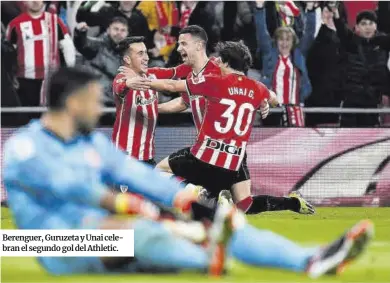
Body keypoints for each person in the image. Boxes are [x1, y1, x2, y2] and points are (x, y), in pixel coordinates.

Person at [3, 67, 373, 278]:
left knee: (219, 217)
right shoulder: (26, 147)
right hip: (57, 245)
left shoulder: (91, 144)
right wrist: (133, 205)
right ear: (71, 102)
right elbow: (72, 187)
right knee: (143, 229)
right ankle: (206, 255)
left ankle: (311, 260)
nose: (98, 107)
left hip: (108, 236)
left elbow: (137, 173)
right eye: (91, 99)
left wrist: (182, 199)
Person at [122, 26, 314, 215]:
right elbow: (182, 100)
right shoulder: (201, 75)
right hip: (232, 154)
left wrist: (137, 79)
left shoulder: (215, 75)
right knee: (242, 204)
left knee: (169, 177)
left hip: (210, 151)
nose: (179, 48)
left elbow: (171, 83)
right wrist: (154, 109)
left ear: (199, 46)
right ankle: (291, 203)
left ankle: (203, 198)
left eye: (183, 43)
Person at [112, 36, 192, 167]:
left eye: (146, 52)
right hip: (126, 158)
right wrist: (128, 83)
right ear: (127, 59)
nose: (147, 58)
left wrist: (208, 62)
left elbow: (178, 71)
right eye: (140, 54)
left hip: (147, 156)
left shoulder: (152, 74)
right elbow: (119, 87)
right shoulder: (121, 78)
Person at [254, 0, 315, 127]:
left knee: (295, 144)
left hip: (295, 109)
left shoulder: (298, 55)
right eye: (281, 39)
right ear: (276, 41)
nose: (284, 43)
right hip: (273, 110)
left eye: (288, 39)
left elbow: (309, 33)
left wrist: (310, 9)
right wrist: (259, 7)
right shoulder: (269, 54)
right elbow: (261, 32)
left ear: (293, 42)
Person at [6, 0, 75, 106]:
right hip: (25, 81)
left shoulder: (55, 20)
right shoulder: (14, 24)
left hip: (51, 79)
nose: (35, 1)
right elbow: (9, 53)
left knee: (50, 116)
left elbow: (67, 47)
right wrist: (11, 76)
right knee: (29, 116)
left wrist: (68, 72)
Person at [333, 9, 390, 127]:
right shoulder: (351, 43)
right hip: (351, 104)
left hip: (372, 105)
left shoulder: (383, 44)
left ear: (376, 26)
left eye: (371, 23)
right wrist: (336, 14)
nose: (367, 27)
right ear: (357, 27)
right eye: (364, 24)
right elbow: (341, 30)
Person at [74, 17, 129, 106]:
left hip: (116, 102)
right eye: (116, 29)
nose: (119, 32)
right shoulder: (97, 45)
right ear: (108, 30)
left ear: (127, 34)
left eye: (123, 30)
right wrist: (80, 33)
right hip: (96, 101)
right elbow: (82, 44)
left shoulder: (129, 54)